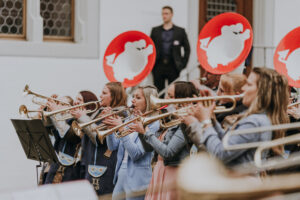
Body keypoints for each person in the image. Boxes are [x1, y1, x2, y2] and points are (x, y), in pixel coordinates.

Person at [182, 67, 290, 167]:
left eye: (248, 84)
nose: (243, 88)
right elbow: (227, 141)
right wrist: (212, 120)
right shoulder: (257, 118)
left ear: (262, 92)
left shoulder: (255, 122)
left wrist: (204, 122)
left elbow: (220, 154)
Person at [137, 81, 198, 200]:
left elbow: (167, 152)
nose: (165, 99)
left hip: (173, 173)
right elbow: (149, 148)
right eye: (167, 95)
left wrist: (147, 132)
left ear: (180, 100)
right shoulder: (168, 121)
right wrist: (141, 131)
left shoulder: (185, 123)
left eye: (170, 96)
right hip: (160, 171)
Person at [103, 85, 160, 200]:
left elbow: (136, 154)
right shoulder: (130, 119)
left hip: (138, 178)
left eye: (138, 97)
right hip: (121, 173)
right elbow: (112, 146)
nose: (133, 100)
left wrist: (121, 129)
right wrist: (109, 129)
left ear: (148, 101)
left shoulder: (154, 124)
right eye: (133, 96)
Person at [70, 83, 127, 196]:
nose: (100, 96)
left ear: (114, 96)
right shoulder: (100, 111)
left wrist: (82, 117)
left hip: (106, 167)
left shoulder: (120, 114)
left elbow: (98, 138)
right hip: (92, 166)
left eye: (104, 93)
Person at [151, 6, 190, 92]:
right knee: (158, 91)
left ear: (171, 15)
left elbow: (187, 49)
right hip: (158, 66)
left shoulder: (180, 31)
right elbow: (150, 48)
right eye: (163, 14)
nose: (164, 16)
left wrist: (182, 64)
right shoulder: (155, 31)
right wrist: (151, 64)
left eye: (166, 13)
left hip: (173, 66)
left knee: (173, 91)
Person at [44, 95, 83, 184]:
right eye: (57, 103)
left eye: (62, 104)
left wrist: (55, 112)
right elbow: (48, 128)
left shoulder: (74, 121)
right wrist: (48, 109)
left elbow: (65, 133)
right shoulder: (60, 120)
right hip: (56, 163)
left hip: (69, 168)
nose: (58, 106)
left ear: (70, 107)